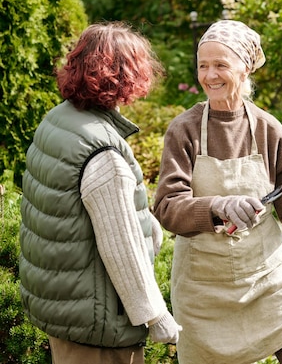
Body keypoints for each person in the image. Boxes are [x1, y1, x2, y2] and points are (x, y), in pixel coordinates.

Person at [153, 19, 282, 364]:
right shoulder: (183, 130)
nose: (209, 75)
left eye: (220, 64)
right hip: (204, 290)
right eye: (203, 65)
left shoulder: (266, 127)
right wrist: (218, 205)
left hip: (268, 279)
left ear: (245, 68)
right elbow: (168, 207)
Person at [19, 22, 182, 364]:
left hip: (65, 313)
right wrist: (156, 316)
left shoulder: (59, 120)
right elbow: (120, 248)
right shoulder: (103, 153)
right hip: (99, 326)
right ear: (128, 76)